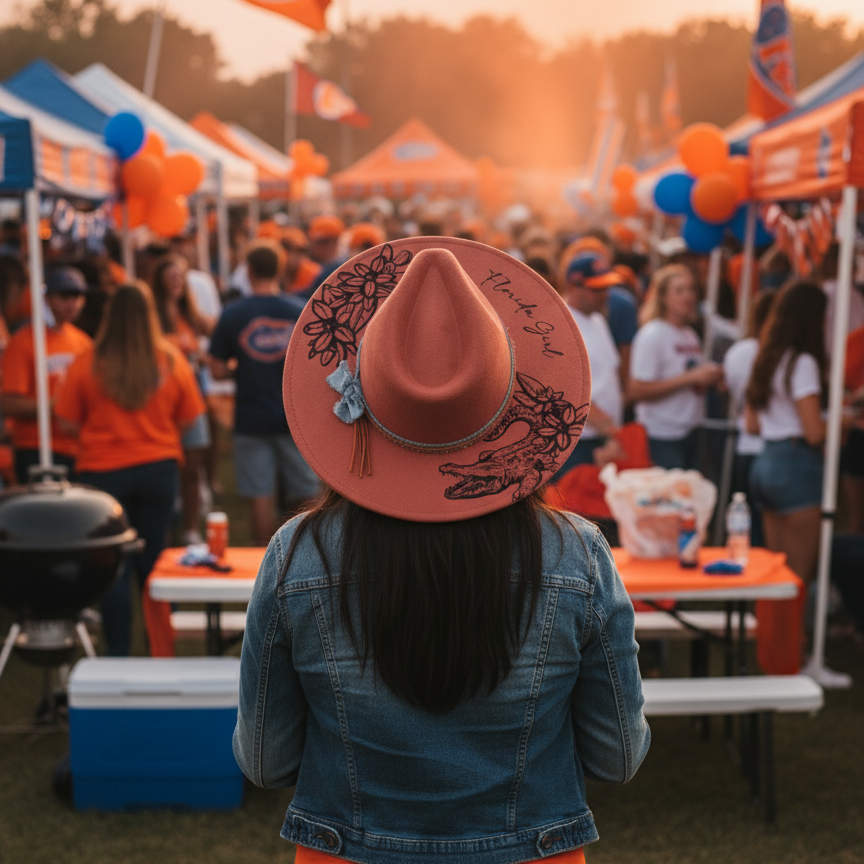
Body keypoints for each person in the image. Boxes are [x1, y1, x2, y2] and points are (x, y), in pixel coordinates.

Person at [234, 238, 650, 864]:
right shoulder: (578, 556)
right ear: (506, 393)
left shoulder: (299, 555)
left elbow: (266, 762)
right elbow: (616, 756)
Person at [54, 282, 205, 657]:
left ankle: (118, 654)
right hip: (158, 469)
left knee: (112, 568)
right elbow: (189, 417)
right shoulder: (168, 358)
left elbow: (67, 419)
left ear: (109, 316)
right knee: (154, 562)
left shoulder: (88, 360)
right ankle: (160, 650)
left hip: (101, 474)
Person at [744, 279, 851, 688]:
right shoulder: (803, 362)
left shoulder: (768, 356)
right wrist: (839, 418)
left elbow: (752, 422)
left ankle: (773, 655)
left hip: (766, 461)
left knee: (776, 572)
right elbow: (813, 432)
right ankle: (801, 660)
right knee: (797, 577)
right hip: (795, 465)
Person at [208, 241, 319, 545]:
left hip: (251, 415)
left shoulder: (232, 313)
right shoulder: (299, 311)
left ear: (249, 270)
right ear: (280, 269)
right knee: (306, 492)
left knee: (260, 494)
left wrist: (239, 366)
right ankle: (309, 557)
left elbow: (216, 370)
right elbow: (316, 365)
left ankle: (263, 561)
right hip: (294, 417)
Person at [628, 264, 724, 470]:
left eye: (691, 289)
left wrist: (711, 378)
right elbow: (637, 390)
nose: (688, 296)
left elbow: (689, 377)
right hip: (662, 436)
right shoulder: (652, 334)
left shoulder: (690, 334)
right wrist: (691, 378)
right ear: (663, 297)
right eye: (679, 290)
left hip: (692, 432)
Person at [1, 267, 92, 482]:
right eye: (64, 296)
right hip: (37, 448)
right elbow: (8, 403)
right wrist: (53, 405)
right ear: (48, 299)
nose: (72, 303)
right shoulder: (24, 342)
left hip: (77, 447)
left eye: (77, 296)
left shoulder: (83, 343)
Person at [151, 256, 214, 543]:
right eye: (171, 276)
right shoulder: (154, 317)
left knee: (193, 463)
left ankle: (190, 529)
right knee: (169, 464)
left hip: (193, 394)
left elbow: (210, 332)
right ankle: (169, 523)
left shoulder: (188, 313)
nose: (177, 281)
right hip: (164, 398)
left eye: (180, 276)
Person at [556, 249, 624, 475]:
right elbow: (570, 391)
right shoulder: (562, 324)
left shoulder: (597, 319)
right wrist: (612, 432)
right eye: (597, 289)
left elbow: (609, 375)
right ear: (574, 286)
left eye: (606, 287)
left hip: (600, 438)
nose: (605, 294)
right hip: (575, 443)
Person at [721, 289, 777, 548]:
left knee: (747, 528)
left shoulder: (738, 351)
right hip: (768, 444)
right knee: (764, 529)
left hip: (746, 445)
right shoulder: (771, 353)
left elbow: (732, 391)